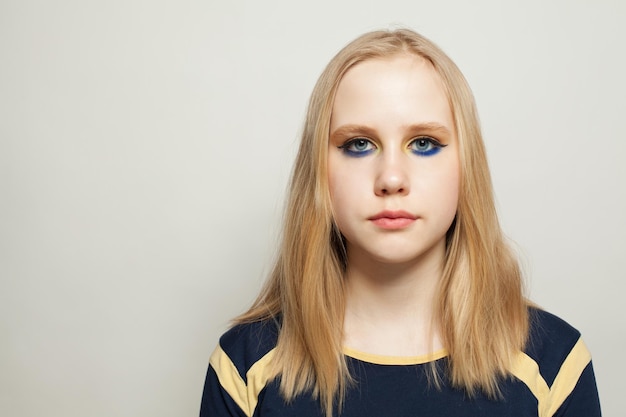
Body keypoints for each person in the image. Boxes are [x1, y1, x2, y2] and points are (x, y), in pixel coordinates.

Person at [200, 29, 601, 417]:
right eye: (359, 144)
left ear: (467, 167)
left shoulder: (553, 366)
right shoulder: (245, 365)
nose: (391, 179)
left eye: (424, 143)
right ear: (319, 172)